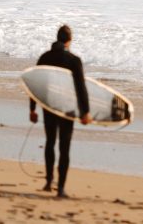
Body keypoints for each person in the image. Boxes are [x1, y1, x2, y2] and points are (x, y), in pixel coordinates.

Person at [29, 25, 92, 197]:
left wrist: (32, 109)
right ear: (69, 41)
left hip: (49, 105)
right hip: (67, 108)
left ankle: (49, 182)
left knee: (50, 142)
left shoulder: (45, 57)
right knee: (65, 147)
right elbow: (80, 88)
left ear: (57, 38)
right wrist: (85, 112)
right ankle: (61, 188)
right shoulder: (74, 60)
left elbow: (35, 83)